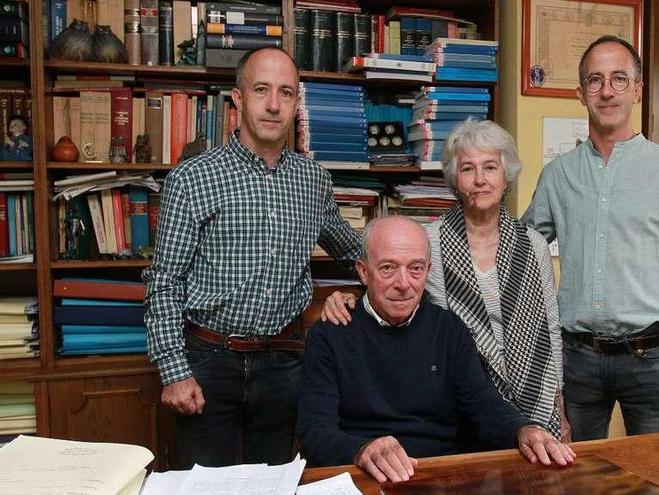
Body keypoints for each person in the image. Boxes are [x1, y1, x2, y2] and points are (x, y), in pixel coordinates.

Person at [143, 46, 362, 468]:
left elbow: (355, 252)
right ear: (238, 99)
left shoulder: (313, 180)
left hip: (284, 363)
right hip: (206, 362)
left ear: (297, 103)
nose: (274, 105)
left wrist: (409, 254)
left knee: (277, 483)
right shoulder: (193, 178)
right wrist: (174, 370)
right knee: (207, 486)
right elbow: (164, 280)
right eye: (261, 90)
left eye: (286, 92)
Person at [322, 119, 568, 440]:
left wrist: (559, 406)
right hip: (463, 397)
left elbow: (549, 327)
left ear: (506, 174)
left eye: (490, 167)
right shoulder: (431, 240)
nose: (480, 180)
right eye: (467, 169)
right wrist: (343, 297)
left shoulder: (532, 243)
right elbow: (388, 280)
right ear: (454, 178)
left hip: (534, 392)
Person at [522, 35, 659, 441]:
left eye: (618, 79)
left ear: (638, 90)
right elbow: (522, 251)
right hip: (578, 361)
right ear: (580, 94)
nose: (606, 90)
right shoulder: (558, 176)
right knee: (580, 477)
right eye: (595, 80)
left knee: (655, 477)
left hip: (654, 359)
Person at [297, 216, 575, 483]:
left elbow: (484, 406)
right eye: (388, 268)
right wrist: (360, 450)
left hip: (439, 476)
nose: (403, 283)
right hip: (363, 475)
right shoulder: (330, 334)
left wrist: (524, 430)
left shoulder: (449, 330)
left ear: (428, 271)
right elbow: (314, 431)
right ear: (363, 271)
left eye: (415, 268)